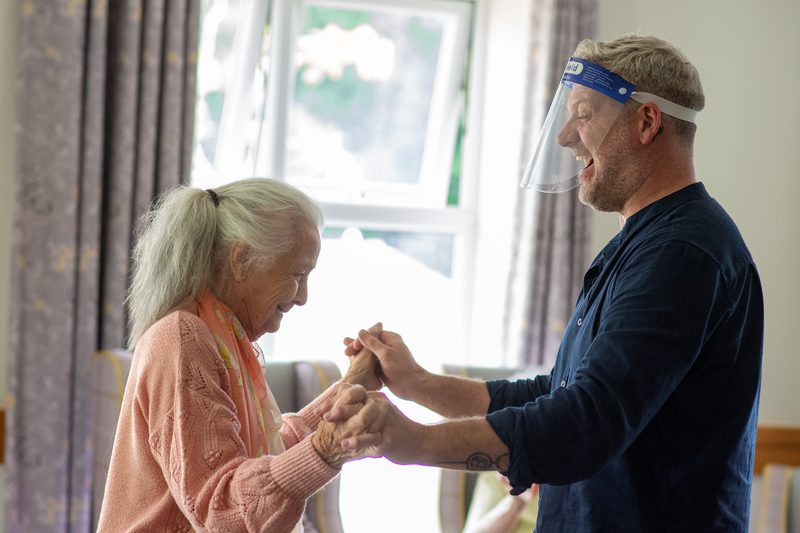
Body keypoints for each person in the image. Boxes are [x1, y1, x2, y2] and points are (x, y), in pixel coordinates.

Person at [341, 34, 764, 531]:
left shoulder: (681, 253)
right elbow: (563, 390)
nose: (565, 137)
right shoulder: (647, 241)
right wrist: (420, 385)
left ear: (647, 122)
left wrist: (410, 442)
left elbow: (583, 425)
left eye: (584, 114)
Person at [97, 178, 385, 533]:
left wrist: (352, 386)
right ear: (241, 259)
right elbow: (223, 509)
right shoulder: (183, 338)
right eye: (297, 274)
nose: (303, 297)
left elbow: (268, 452)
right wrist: (326, 450)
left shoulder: (220, 336)